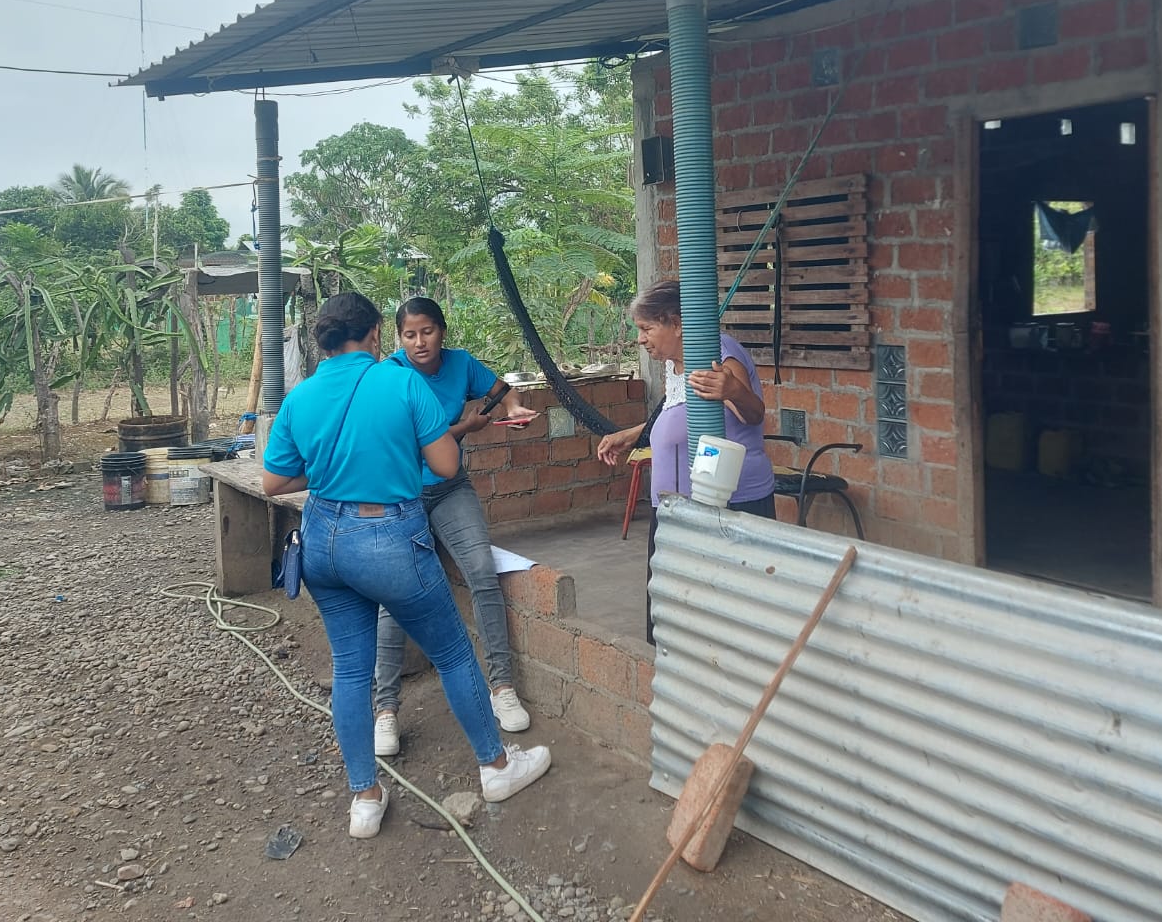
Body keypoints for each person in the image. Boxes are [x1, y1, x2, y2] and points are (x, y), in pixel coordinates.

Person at [261, 292, 550, 839]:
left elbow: (274, 482)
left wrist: (333, 470)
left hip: (322, 540)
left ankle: (364, 799)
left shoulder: (301, 397)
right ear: (376, 333)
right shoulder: (400, 383)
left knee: (350, 670)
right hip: (386, 535)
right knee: (452, 652)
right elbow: (446, 463)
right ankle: (496, 767)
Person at [372, 296, 537, 757]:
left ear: (442, 331)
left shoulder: (461, 364)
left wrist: (513, 408)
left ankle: (502, 686)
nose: (419, 342)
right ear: (398, 339)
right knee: (393, 593)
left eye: (427, 331)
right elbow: (409, 441)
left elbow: (502, 389)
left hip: (450, 489)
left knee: (482, 571)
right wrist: (465, 427)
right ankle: (385, 709)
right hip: (401, 494)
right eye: (409, 335)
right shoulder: (390, 375)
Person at [596, 278, 776, 642]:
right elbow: (678, 413)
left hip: (730, 503)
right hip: (675, 508)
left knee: (732, 624)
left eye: (647, 329)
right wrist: (630, 435)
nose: (641, 339)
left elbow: (754, 415)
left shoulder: (719, 355)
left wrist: (734, 390)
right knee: (674, 621)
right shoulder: (675, 363)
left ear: (677, 324)